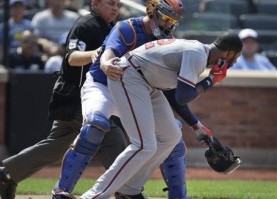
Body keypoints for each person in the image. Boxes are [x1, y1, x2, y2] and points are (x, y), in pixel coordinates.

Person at [80, 31, 243, 199]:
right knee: (144, 145)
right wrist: (211, 80)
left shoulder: (198, 51)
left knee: (171, 136)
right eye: (235, 58)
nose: (234, 62)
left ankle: (129, 190)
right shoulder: (198, 55)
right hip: (129, 76)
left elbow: (175, 96)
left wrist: (197, 126)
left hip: (145, 82)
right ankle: (93, 196)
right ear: (228, 53)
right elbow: (183, 96)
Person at [51, 0, 189, 198]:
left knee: (172, 134)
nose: (169, 24)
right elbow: (108, 54)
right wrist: (106, 64)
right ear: (152, 12)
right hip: (103, 85)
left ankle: (134, 191)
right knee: (95, 125)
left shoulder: (166, 42)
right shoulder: (128, 28)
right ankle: (61, 191)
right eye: (166, 18)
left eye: (173, 20)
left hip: (136, 92)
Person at [0, 1, 124, 199]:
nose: (115, 8)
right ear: (95, 3)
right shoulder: (86, 24)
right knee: (112, 137)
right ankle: (128, 190)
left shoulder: (111, 27)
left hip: (90, 95)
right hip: (77, 95)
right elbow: (71, 58)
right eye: (110, 3)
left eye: (118, 4)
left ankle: (8, 173)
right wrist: (96, 54)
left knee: (56, 147)